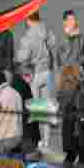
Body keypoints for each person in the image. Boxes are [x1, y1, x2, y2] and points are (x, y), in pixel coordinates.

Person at [15, 11, 57, 150]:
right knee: (46, 107)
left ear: (28, 19)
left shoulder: (28, 37)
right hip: (47, 72)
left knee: (37, 109)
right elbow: (53, 43)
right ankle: (46, 141)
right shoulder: (46, 30)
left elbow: (22, 59)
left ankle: (38, 141)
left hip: (35, 74)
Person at [60, 10, 84, 78]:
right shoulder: (60, 38)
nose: (74, 22)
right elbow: (60, 60)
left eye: (75, 19)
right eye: (71, 20)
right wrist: (70, 37)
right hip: (67, 77)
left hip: (80, 76)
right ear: (65, 22)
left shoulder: (81, 38)